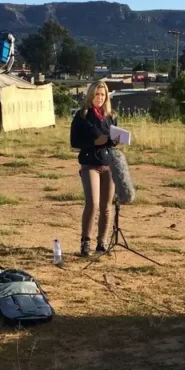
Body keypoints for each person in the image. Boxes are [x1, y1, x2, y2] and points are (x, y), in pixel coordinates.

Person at [70, 80, 117, 256]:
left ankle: (102, 242)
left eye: (103, 95)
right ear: (90, 95)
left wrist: (116, 140)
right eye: (97, 94)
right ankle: (85, 242)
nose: (99, 98)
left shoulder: (110, 116)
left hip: (108, 164)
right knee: (93, 203)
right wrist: (93, 143)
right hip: (90, 163)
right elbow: (74, 142)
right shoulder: (82, 115)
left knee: (107, 206)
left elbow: (112, 140)